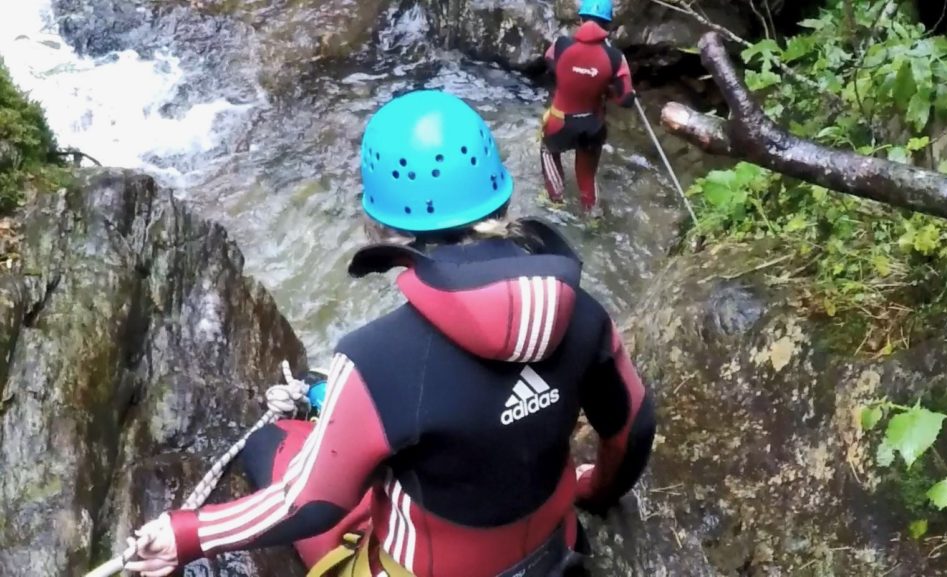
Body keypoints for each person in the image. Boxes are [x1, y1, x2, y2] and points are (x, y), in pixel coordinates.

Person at [124, 90, 655, 577]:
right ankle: (321, 400)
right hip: (553, 553)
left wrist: (187, 534)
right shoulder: (584, 314)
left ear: (386, 229)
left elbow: (309, 502)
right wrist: (595, 487)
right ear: (498, 195)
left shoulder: (377, 358)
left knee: (271, 443)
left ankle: (318, 408)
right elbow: (632, 427)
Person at [540, 0, 636, 217]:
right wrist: (605, 87)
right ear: (608, 27)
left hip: (560, 122)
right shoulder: (615, 58)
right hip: (593, 126)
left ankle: (556, 204)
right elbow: (626, 99)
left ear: (580, 20)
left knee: (548, 150)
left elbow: (549, 61)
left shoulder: (562, 44)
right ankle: (592, 218)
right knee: (587, 178)